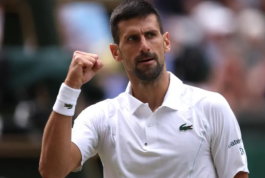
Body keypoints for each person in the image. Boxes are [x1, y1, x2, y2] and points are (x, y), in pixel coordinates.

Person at [39, 0, 249, 178]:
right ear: (116, 52)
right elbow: (52, 171)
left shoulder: (211, 106)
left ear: (166, 42)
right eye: (132, 39)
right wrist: (70, 88)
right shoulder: (100, 117)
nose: (144, 46)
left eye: (150, 35)